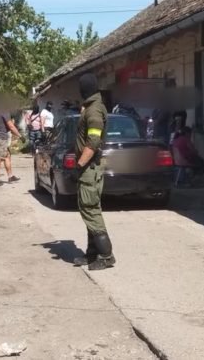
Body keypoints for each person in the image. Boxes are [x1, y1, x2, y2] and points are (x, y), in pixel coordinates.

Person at [72, 73, 115, 271]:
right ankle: (92, 253)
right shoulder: (91, 107)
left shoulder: (94, 110)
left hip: (89, 168)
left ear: (85, 90)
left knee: (90, 209)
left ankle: (106, 256)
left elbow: (94, 141)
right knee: (87, 209)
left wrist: (80, 164)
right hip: (89, 168)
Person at [0, 110, 25, 187]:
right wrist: (20, 136)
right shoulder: (4, 112)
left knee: (7, 155)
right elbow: (11, 126)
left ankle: (10, 176)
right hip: (1, 137)